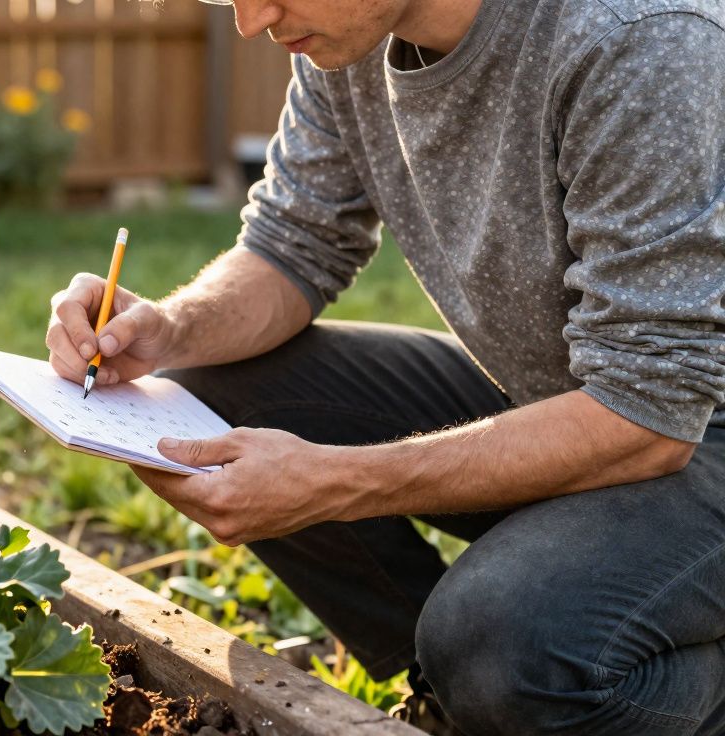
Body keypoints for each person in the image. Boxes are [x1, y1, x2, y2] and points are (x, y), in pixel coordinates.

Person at [44, 0, 725, 733]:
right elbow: (294, 242)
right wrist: (170, 329)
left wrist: (335, 481)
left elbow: (650, 411)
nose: (251, 21)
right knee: (211, 395)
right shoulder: (348, 35)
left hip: (688, 421)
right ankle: (446, 693)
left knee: (500, 642)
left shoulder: (637, 38)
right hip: (576, 391)